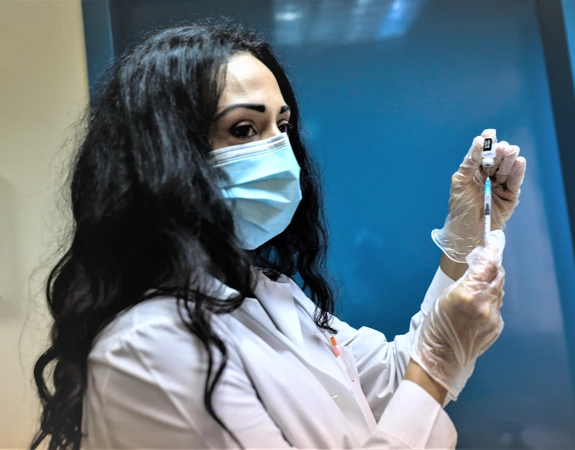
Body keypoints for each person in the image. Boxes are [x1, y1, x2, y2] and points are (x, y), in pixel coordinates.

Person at [31, 20, 526, 450]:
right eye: (244, 129)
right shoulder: (151, 345)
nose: (280, 152)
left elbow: (394, 383)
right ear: (164, 155)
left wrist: (464, 237)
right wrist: (437, 364)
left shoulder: (267, 297)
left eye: (282, 126)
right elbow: (424, 376)